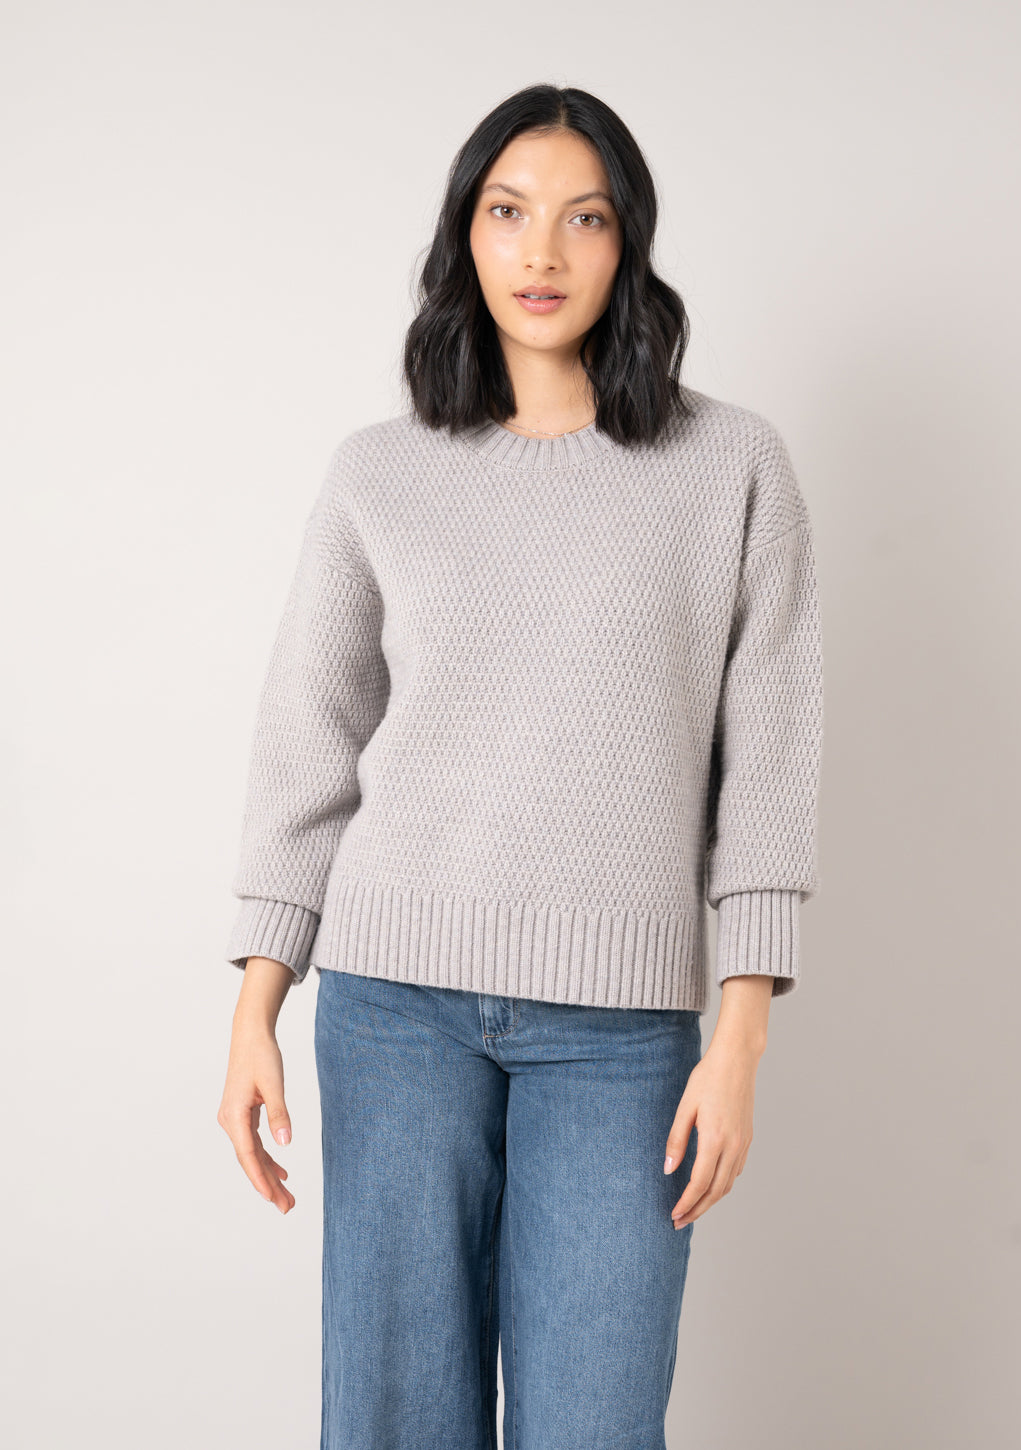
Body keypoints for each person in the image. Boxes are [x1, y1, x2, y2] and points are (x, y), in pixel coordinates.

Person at [217, 82, 823, 1450]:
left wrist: (741, 1031)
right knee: (393, 1420)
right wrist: (258, 999)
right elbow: (309, 737)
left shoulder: (731, 465)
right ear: (464, 235)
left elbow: (772, 759)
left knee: (593, 1425)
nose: (542, 252)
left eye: (582, 218)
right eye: (508, 213)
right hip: (393, 1010)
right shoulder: (379, 472)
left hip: (621, 1033)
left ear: (628, 243)